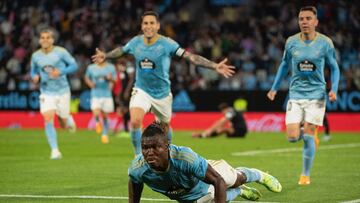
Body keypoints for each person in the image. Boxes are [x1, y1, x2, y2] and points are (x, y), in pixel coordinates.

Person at [92, 11, 235, 155]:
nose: (149, 26)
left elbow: (190, 57)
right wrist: (106, 56)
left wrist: (214, 66)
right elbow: (121, 51)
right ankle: (138, 157)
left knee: (164, 127)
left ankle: (168, 152)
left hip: (162, 94)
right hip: (142, 90)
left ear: (158, 26)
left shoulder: (167, 44)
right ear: (142, 26)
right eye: (145, 23)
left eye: (152, 23)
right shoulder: (135, 42)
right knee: (135, 121)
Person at [267, 6, 340, 185]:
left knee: (307, 135)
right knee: (292, 137)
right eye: (301, 19)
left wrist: (334, 89)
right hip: (296, 95)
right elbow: (284, 65)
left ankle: (305, 175)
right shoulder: (291, 42)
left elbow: (335, 67)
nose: (304, 22)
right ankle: (310, 135)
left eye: (308, 18)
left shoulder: (325, 43)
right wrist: (274, 88)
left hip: (317, 95)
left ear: (316, 21)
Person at [128, 122, 282, 203]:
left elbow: (217, 180)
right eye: (145, 148)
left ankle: (259, 175)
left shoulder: (185, 158)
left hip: (208, 174)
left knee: (233, 179)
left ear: (167, 146)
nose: (149, 152)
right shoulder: (138, 168)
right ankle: (240, 191)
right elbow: (134, 181)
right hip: (191, 196)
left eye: (155, 147)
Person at [30, 28, 78, 160]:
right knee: (48, 118)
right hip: (46, 91)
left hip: (62, 91)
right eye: (43, 37)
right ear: (39, 40)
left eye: (48, 37)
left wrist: (61, 72)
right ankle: (55, 150)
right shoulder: (35, 56)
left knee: (63, 123)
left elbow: (74, 65)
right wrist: (34, 76)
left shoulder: (61, 52)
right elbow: (33, 71)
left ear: (52, 40)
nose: (45, 40)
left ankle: (67, 118)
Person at [84, 60, 117, 144]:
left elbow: (115, 81)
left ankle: (105, 134)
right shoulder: (91, 67)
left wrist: (111, 79)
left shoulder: (111, 67)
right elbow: (86, 77)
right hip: (95, 93)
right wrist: (90, 83)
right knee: (96, 112)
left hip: (106, 94)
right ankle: (97, 122)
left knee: (105, 116)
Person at [112, 57, 135, 136]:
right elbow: (122, 84)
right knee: (123, 111)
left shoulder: (129, 69)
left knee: (126, 111)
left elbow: (131, 80)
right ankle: (126, 129)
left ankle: (131, 129)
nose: (118, 68)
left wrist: (127, 91)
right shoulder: (122, 73)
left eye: (119, 66)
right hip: (123, 94)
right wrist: (119, 94)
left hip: (130, 93)